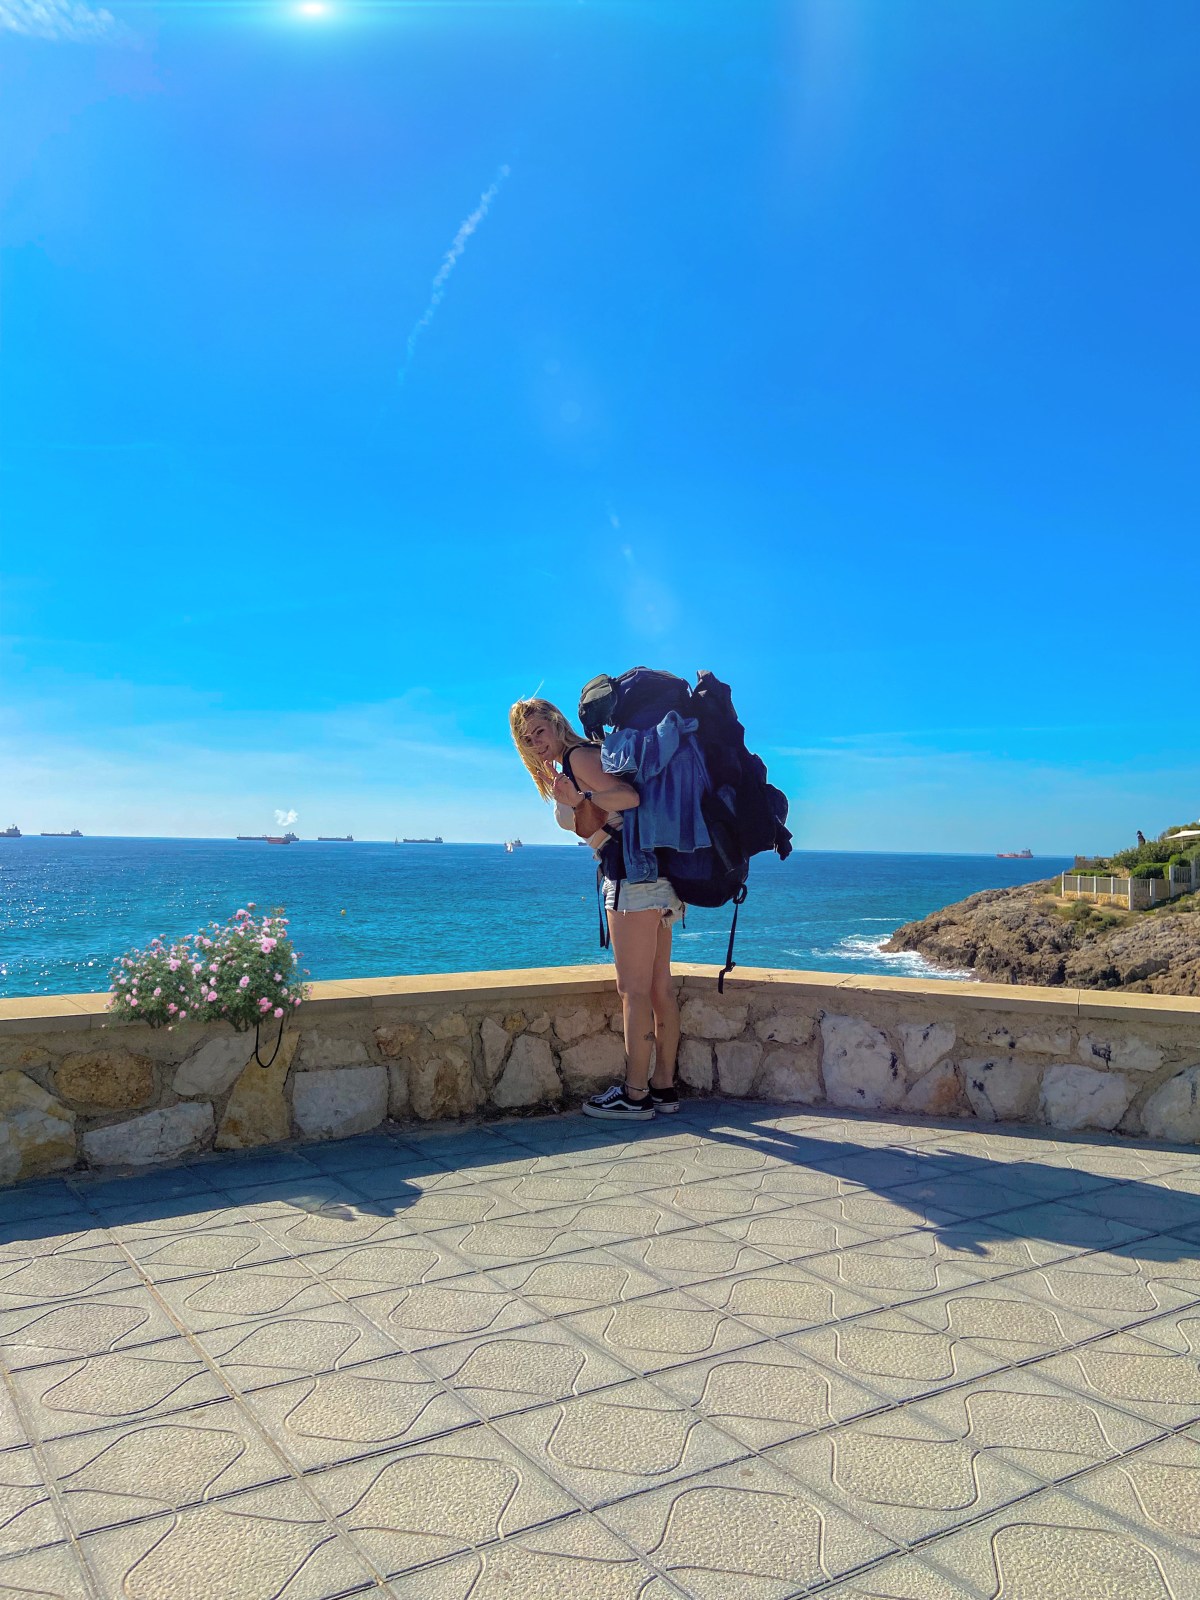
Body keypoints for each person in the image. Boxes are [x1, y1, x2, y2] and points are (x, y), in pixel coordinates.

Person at [509, 696, 682, 1120]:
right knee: (659, 988)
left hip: (633, 880)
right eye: (527, 740)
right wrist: (591, 820)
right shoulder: (577, 760)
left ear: (555, 722)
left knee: (633, 991)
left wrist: (580, 792)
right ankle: (663, 1087)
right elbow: (600, 821)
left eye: (539, 732)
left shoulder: (579, 757)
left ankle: (635, 1094)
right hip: (654, 876)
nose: (536, 743)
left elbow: (628, 797)